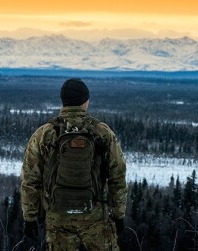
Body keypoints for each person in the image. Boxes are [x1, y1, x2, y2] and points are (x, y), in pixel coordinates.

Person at [21, 78, 128, 250]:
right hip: (94, 215)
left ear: (64, 102)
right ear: (85, 101)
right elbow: (118, 176)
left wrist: (30, 218)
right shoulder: (102, 132)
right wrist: (118, 214)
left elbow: (30, 180)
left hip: (57, 217)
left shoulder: (44, 133)